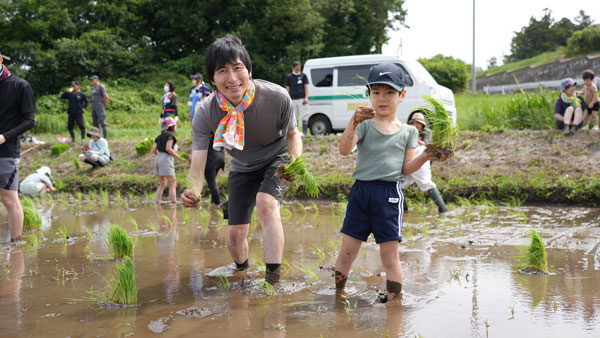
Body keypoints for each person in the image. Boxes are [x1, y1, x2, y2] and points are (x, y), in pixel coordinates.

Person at [182, 34, 302, 286]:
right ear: (212, 79)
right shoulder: (206, 112)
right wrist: (193, 191)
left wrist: (294, 165)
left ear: (249, 71)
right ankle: (242, 273)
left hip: (276, 158)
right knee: (236, 234)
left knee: (266, 204)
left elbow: (293, 135)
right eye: (222, 71)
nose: (232, 78)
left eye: (238, 68)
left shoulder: (277, 96)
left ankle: (273, 281)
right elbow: (197, 165)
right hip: (241, 166)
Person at [334, 63, 445, 303]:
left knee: (390, 257)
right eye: (376, 92)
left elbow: (406, 169)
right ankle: (338, 295)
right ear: (369, 95)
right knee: (347, 251)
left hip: (389, 196)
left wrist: (425, 156)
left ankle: (394, 302)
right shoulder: (363, 124)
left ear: (402, 95)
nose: (382, 98)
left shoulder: (408, 132)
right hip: (361, 192)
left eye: (390, 92)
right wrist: (353, 122)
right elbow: (344, 150)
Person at [0, 50, 36, 242]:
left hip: (6, 150)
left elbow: (30, 120)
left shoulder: (20, 86)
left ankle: (16, 242)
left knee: (8, 199)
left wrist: (5, 137)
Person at [401, 112, 447, 213]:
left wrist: (417, 141)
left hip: (421, 158)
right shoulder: (408, 132)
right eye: (413, 123)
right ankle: (404, 211)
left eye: (418, 123)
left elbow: (428, 146)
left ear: (422, 125)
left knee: (426, 183)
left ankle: (443, 210)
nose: (415, 125)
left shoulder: (427, 133)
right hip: (409, 159)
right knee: (400, 184)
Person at [152, 117, 187, 204]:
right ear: (171, 126)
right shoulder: (170, 136)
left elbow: (153, 150)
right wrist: (179, 158)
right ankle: (173, 203)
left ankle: (157, 202)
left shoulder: (159, 136)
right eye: (175, 126)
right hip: (166, 159)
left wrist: (160, 157)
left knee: (162, 184)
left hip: (158, 158)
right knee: (172, 183)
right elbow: (168, 148)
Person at [285, 61, 309, 134]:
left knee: (304, 115)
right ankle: (294, 132)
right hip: (293, 99)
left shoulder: (303, 75)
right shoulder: (289, 77)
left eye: (299, 68)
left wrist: (306, 97)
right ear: (293, 67)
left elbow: (306, 86)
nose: (298, 69)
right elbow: (287, 88)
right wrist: (287, 98)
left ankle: (304, 132)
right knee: (293, 116)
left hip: (302, 98)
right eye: (297, 68)